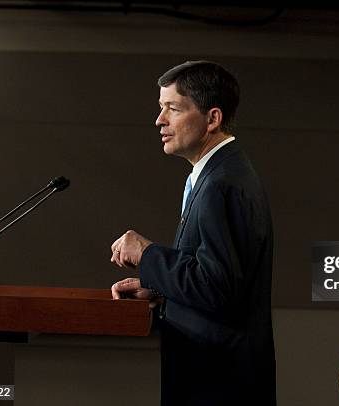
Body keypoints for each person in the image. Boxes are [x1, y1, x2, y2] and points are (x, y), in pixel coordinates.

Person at [109, 61, 276, 406]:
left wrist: (147, 253)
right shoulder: (218, 173)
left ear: (212, 118)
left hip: (218, 381)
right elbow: (214, 275)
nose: (160, 121)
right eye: (160, 109)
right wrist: (160, 288)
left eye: (173, 109)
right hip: (215, 374)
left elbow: (217, 287)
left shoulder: (221, 182)